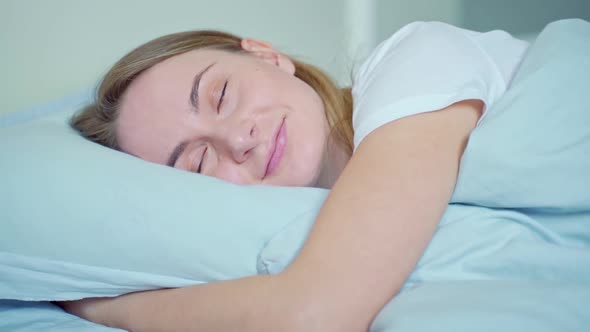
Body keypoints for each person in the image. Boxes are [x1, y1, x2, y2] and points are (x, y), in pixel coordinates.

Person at [60, 21, 528, 331]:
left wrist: (103, 307)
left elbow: (315, 314)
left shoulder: (417, 61)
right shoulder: (277, 241)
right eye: (199, 163)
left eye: (221, 95)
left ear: (267, 56)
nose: (238, 139)